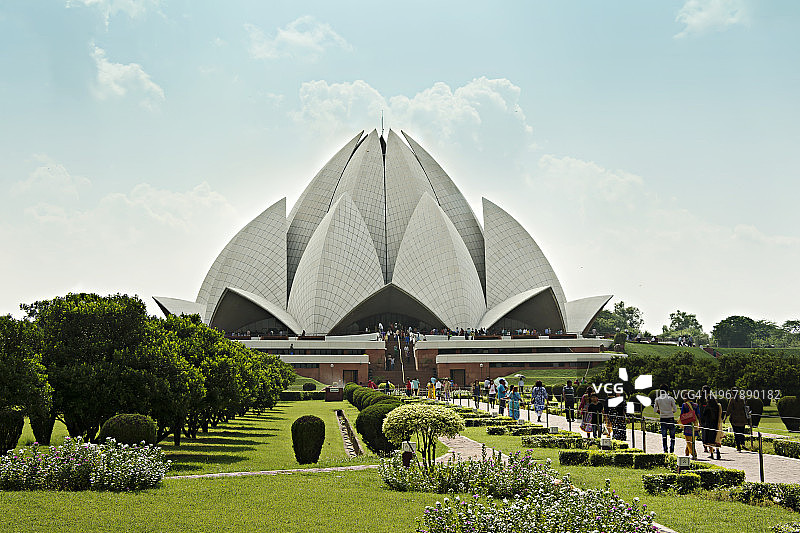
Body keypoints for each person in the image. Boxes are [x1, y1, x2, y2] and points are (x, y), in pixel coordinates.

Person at [654, 384, 677, 453]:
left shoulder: (657, 399)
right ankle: (672, 449)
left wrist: (661, 411)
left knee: (664, 435)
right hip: (670, 417)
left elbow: (655, 410)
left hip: (663, 418)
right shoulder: (671, 399)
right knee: (672, 435)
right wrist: (670, 411)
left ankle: (665, 449)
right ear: (667, 390)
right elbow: (675, 410)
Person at [701, 395, 723, 460]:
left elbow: (704, 415)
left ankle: (712, 454)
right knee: (716, 439)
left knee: (709, 440)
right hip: (716, 424)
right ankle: (718, 451)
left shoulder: (707, 407)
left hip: (708, 425)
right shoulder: (718, 406)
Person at [680, 393, 701, 459]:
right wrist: (700, 424)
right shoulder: (696, 405)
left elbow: (682, 414)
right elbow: (698, 415)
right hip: (695, 424)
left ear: (686, 398)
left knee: (688, 440)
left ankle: (694, 453)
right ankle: (686, 453)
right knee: (692, 440)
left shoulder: (684, 405)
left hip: (687, 424)